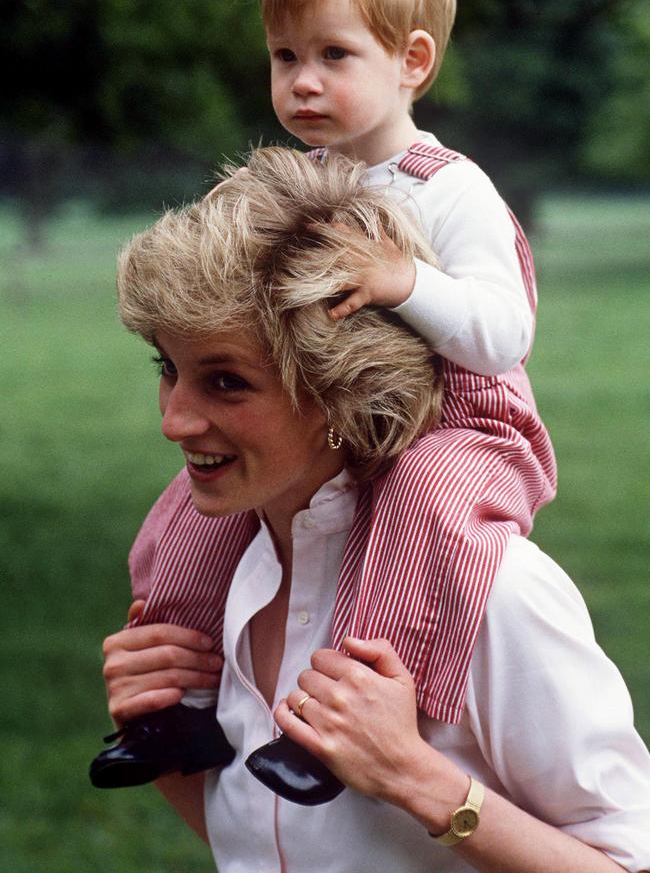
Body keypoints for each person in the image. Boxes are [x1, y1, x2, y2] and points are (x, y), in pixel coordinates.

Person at [90, 0, 556, 794]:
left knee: (423, 504)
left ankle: (338, 719)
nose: (302, 81)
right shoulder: (299, 176)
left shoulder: (447, 187)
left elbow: (503, 336)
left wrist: (403, 282)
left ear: (411, 60)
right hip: (328, 417)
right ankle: (175, 710)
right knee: (185, 517)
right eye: (285, 56)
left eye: (333, 55)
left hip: (460, 426)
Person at [100, 147, 650, 872]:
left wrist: (415, 777)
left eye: (226, 383)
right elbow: (268, 848)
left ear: (343, 391)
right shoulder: (226, 574)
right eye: (167, 368)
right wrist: (163, 737)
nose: (175, 420)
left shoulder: (493, 593)